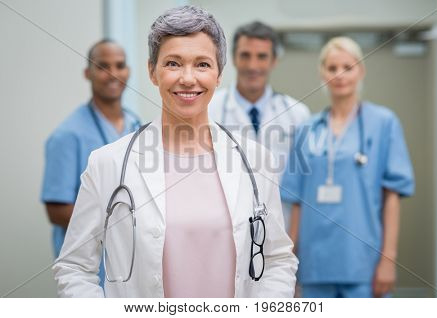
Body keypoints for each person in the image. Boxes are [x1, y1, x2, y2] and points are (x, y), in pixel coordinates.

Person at [53, 5, 297, 298]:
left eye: (203, 64)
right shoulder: (108, 163)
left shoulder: (256, 161)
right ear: (152, 72)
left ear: (219, 74)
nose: (188, 78)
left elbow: (278, 259)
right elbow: (75, 266)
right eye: (173, 63)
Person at [280, 37, 415, 298]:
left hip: (363, 263)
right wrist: (290, 264)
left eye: (347, 67)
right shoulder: (307, 129)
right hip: (315, 263)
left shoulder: (384, 123)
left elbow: (392, 197)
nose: (339, 75)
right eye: (332, 68)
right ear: (322, 73)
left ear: (360, 71)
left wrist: (388, 260)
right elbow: (296, 201)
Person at [41, 39, 141, 286]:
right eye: (102, 66)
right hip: (91, 271)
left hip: (133, 265)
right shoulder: (67, 135)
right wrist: (118, 228)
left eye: (119, 65)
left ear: (128, 71)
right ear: (88, 73)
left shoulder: (137, 126)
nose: (113, 74)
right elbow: (56, 211)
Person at [209, 21, 310, 227]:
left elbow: (303, 184)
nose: (253, 66)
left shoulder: (297, 114)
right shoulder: (210, 110)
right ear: (233, 59)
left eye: (262, 56)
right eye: (245, 55)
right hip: (225, 226)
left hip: (281, 225)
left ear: (274, 61)